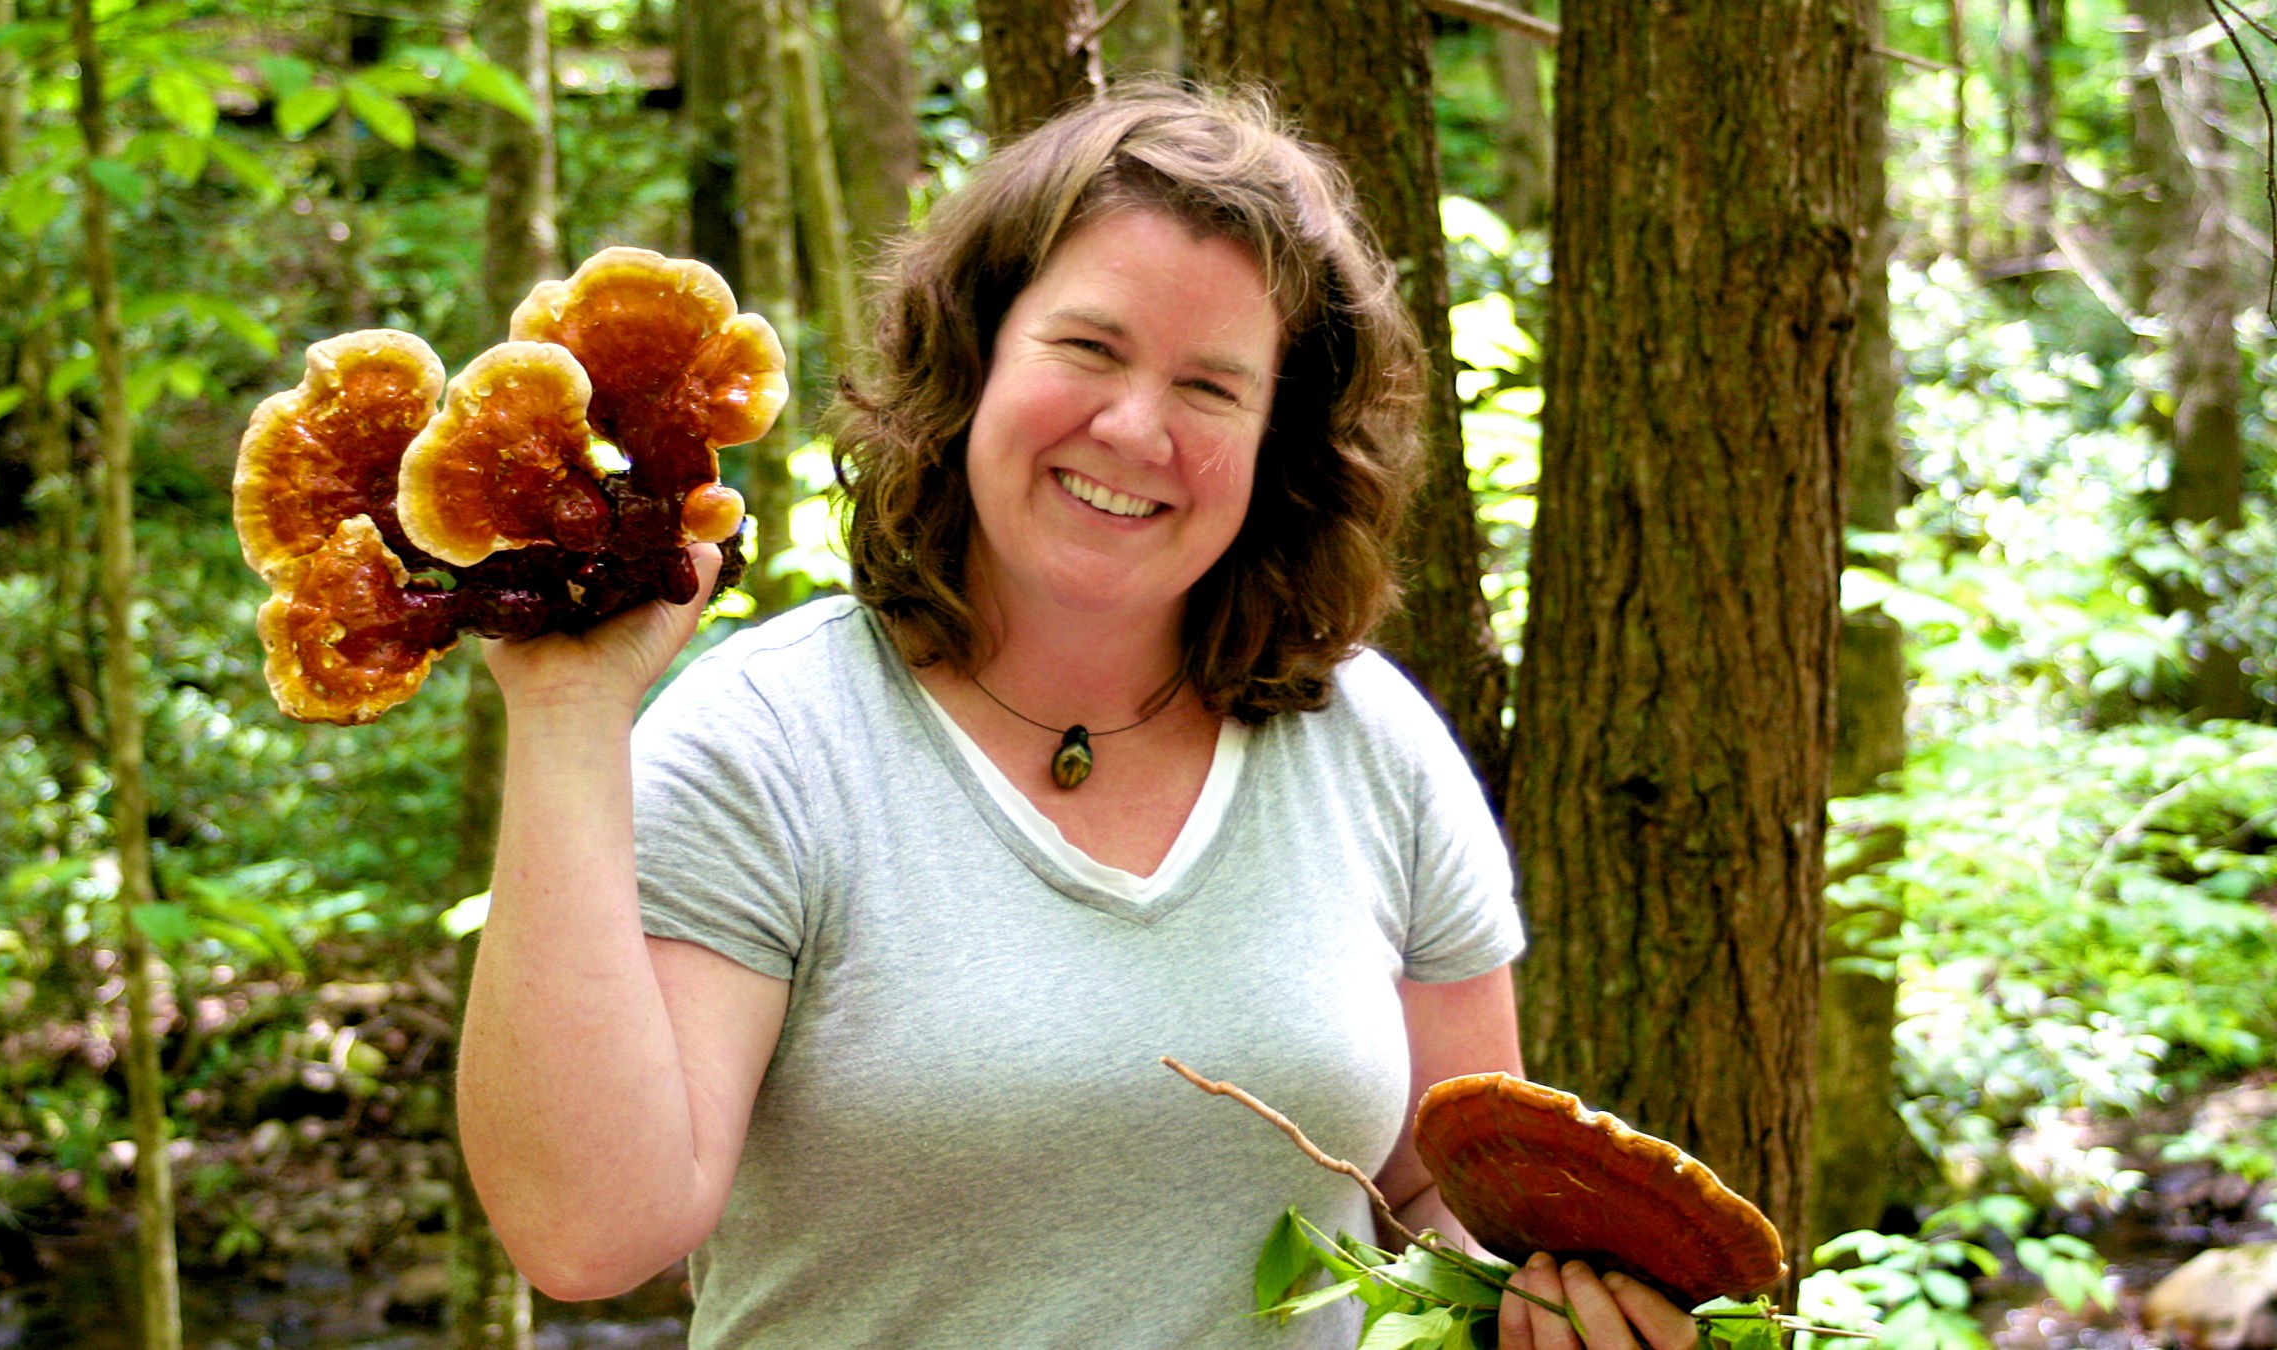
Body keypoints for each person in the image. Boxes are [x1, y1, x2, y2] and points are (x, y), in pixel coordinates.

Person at [455, 86, 1700, 1350]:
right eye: (1088, 349)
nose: (1135, 427)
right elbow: (588, 1235)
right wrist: (567, 714)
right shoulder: (768, 744)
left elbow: (1433, 1190)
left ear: (1284, 443)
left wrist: (1534, 1304)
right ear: (976, 355)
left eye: (1213, 386)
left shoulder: (1373, 747)